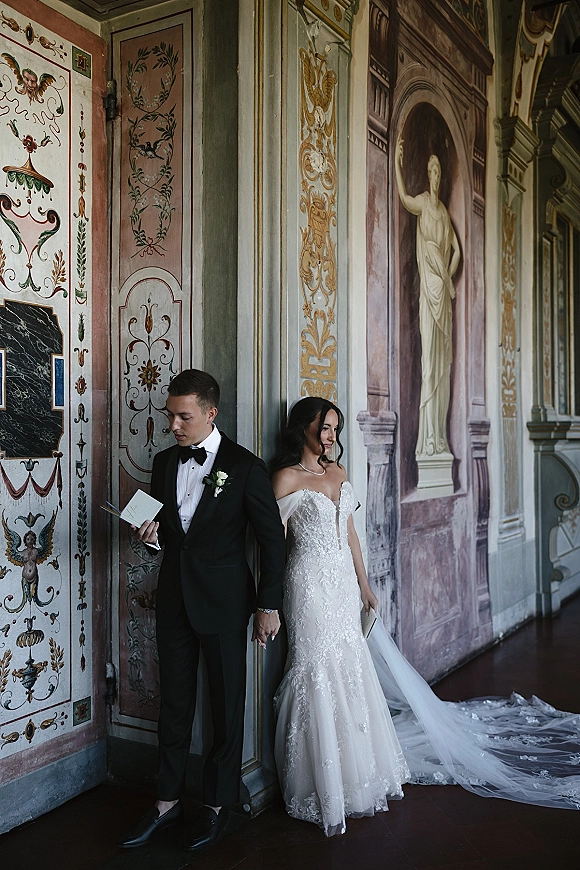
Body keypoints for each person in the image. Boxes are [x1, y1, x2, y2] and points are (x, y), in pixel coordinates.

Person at [272, 397, 580, 837]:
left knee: (350, 668)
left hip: (342, 585)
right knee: (316, 669)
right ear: (302, 428)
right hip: (307, 586)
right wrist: (266, 599)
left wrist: (364, 584)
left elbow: (351, 536)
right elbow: (271, 541)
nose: (331, 436)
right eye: (324, 428)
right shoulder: (285, 477)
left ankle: (358, 768)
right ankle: (323, 782)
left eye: (335, 429)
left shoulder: (338, 472)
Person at [118, 369, 286, 851]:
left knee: (225, 706)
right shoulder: (164, 461)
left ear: (211, 413)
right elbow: (165, 534)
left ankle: (215, 805)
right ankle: (166, 804)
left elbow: (272, 544)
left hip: (226, 604)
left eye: (183, 416)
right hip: (173, 598)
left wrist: (267, 605)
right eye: (170, 415)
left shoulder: (247, 467)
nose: (173, 424)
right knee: (173, 702)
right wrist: (148, 538)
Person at [395, 133, 460, 459]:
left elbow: (457, 251)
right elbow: (405, 199)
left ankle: (439, 439)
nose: (434, 177)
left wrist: (448, 275)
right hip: (430, 290)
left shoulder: (445, 214)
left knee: (443, 363)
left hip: (443, 293)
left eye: (438, 173)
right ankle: (428, 440)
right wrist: (396, 160)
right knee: (430, 364)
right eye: (431, 171)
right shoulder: (422, 201)